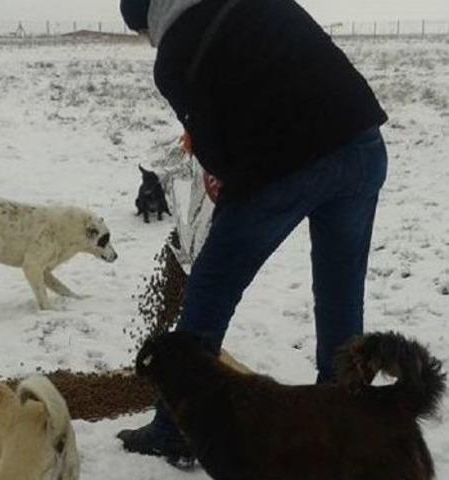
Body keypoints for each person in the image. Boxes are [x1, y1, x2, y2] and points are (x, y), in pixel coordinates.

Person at [118, 0, 389, 467]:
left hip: (285, 167)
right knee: (342, 295)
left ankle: (175, 428)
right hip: (361, 146)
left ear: (149, 18)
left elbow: (216, 146)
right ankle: (347, 421)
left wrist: (220, 172)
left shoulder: (173, 55)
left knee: (210, 288)